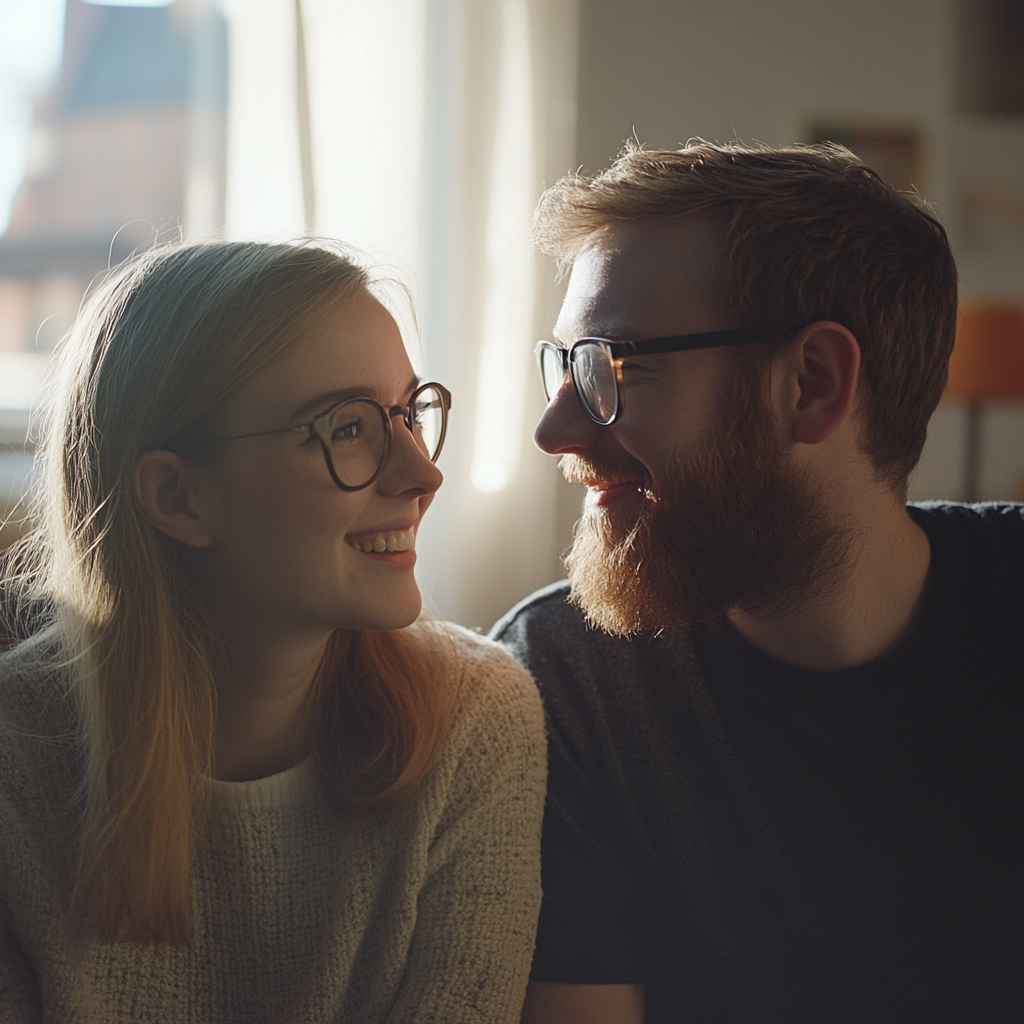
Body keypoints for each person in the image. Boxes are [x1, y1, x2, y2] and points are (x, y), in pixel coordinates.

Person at [492, 141, 1023, 1024]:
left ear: (812, 385)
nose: (555, 430)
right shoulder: (564, 687)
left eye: (610, 366)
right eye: (565, 365)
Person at [0, 239, 546, 1023]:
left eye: (409, 412)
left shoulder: (475, 721)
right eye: (347, 428)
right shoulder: (18, 757)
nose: (423, 474)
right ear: (179, 497)